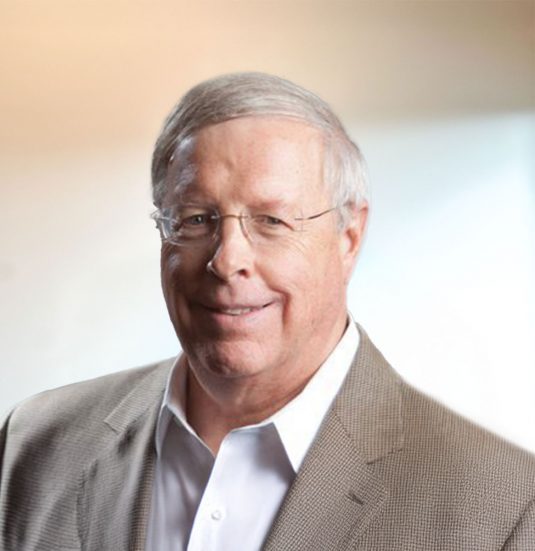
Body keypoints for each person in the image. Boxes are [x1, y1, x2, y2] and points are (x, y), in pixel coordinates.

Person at [0, 72, 534, 551]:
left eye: (272, 221)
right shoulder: (33, 444)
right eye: (195, 218)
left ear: (349, 237)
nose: (227, 260)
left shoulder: (504, 511)